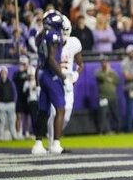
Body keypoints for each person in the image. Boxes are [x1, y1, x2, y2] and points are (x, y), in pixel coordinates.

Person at [31, 10, 66, 155]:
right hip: (51, 74)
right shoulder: (54, 35)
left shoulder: (40, 35)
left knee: (43, 110)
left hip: (41, 73)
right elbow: (51, 59)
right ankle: (56, 144)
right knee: (60, 109)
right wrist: (63, 76)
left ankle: (38, 144)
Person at [47, 15, 83, 146]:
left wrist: (76, 74)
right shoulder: (52, 41)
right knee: (54, 113)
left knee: (66, 117)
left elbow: (80, 64)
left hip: (68, 83)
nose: (64, 33)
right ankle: (53, 142)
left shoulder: (74, 43)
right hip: (55, 80)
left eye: (65, 29)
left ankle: (55, 138)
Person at [95, 58, 121, 134]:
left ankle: (118, 130)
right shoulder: (98, 72)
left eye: (106, 62)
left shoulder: (113, 72)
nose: (105, 64)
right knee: (103, 115)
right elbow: (100, 77)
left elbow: (117, 81)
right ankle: (102, 131)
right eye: (103, 63)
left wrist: (110, 77)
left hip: (113, 96)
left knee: (115, 114)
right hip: (103, 96)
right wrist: (107, 73)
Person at [0, 66, 19, 140]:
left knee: (12, 122)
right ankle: (1, 136)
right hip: (2, 104)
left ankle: (14, 136)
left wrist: (14, 102)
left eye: (4, 72)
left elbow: (15, 93)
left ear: (7, 73)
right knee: (2, 122)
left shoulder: (11, 82)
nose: (3, 74)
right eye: (2, 73)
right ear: (0, 74)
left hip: (11, 104)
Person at [13, 55, 31, 138]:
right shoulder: (17, 73)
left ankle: (27, 132)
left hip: (27, 97)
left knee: (27, 116)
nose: (23, 65)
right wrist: (22, 72)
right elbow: (15, 80)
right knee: (19, 116)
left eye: (24, 64)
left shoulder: (30, 72)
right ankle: (18, 133)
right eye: (22, 64)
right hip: (20, 97)